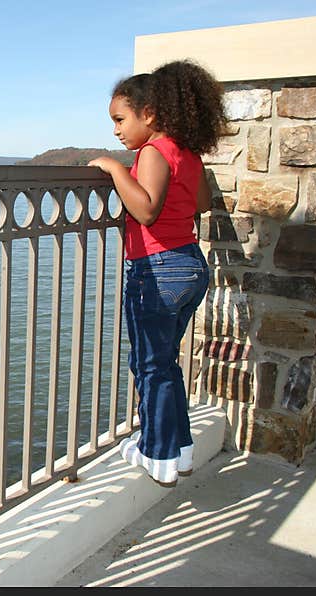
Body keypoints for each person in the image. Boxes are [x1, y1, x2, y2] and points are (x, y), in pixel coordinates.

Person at [88, 60, 227, 487]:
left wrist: (114, 169)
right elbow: (201, 203)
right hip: (189, 265)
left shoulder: (152, 151)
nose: (116, 131)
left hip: (158, 268)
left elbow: (146, 209)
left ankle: (158, 455)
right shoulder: (188, 152)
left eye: (120, 119)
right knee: (164, 363)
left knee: (151, 365)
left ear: (149, 114)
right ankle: (179, 449)